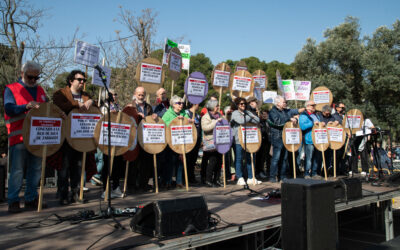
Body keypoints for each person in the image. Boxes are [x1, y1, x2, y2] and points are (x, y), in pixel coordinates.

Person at [4, 61, 48, 212]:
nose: (33, 81)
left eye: (37, 77)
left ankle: (31, 198)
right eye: (30, 77)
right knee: (17, 171)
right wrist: (26, 106)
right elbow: (9, 109)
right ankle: (13, 200)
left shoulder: (41, 90)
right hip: (19, 138)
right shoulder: (11, 89)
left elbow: (47, 109)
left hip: (37, 138)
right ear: (22, 74)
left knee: (35, 169)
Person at [53, 70, 94, 205]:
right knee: (64, 167)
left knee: (78, 167)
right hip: (65, 136)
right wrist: (77, 104)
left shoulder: (86, 96)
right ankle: (63, 195)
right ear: (71, 81)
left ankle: (76, 193)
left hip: (80, 137)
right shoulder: (60, 93)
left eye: (84, 80)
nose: (82, 82)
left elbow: (95, 111)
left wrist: (91, 102)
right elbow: (59, 106)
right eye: (80, 80)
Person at [268, 95, 304, 182]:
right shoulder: (273, 111)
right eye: (283, 102)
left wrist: (303, 109)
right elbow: (277, 122)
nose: (285, 103)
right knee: (276, 158)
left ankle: (282, 176)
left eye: (285, 102)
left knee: (284, 158)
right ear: (278, 103)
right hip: (277, 137)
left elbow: (294, 111)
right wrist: (289, 119)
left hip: (286, 137)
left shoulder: (285, 111)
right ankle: (272, 176)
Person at [230, 97, 262, 185]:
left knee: (250, 158)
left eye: (244, 103)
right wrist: (251, 117)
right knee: (239, 159)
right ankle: (239, 177)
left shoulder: (247, 112)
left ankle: (251, 177)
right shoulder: (235, 113)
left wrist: (248, 116)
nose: (243, 105)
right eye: (241, 104)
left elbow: (258, 120)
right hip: (238, 140)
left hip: (249, 139)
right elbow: (241, 120)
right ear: (237, 105)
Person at [161, 95, 191, 188]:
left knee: (180, 162)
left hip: (181, 140)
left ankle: (179, 182)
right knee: (170, 162)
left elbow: (187, 123)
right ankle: (168, 181)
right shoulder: (168, 114)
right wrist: (175, 121)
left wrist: (190, 121)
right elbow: (164, 125)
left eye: (182, 103)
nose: (181, 105)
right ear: (173, 104)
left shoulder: (184, 113)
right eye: (178, 103)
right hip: (171, 142)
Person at [201, 99, 224, 187]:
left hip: (220, 141)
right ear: (212, 107)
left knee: (219, 161)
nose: (218, 107)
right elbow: (205, 128)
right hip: (210, 142)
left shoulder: (220, 115)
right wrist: (215, 122)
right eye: (217, 106)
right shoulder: (206, 117)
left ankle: (217, 179)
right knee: (212, 161)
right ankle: (208, 180)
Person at [299, 101, 324, 179]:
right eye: (312, 105)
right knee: (309, 158)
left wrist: (322, 124)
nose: (314, 107)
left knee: (316, 157)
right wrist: (312, 123)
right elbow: (302, 126)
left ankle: (314, 173)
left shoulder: (316, 115)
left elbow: (318, 125)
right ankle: (306, 173)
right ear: (307, 107)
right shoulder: (303, 115)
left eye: (314, 105)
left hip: (317, 139)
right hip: (309, 139)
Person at [317, 105, 340, 175]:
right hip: (321, 139)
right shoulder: (319, 116)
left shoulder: (331, 117)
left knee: (328, 157)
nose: (327, 115)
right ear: (323, 112)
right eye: (326, 113)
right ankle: (317, 172)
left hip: (330, 140)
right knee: (320, 157)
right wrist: (326, 124)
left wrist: (336, 122)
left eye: (329, 113)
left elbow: (338, 122)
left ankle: (325, 171)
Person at [185, 103, 201, 184]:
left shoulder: (198, 116)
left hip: (196, 140)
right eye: (198, 104)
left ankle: (191, 177)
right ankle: (186, 178)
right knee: (188, 160)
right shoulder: (186, 113)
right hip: (189, 140)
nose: (199, 105)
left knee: (193, 160)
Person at [256, 110, 270, 179]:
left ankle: (263, 171)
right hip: (260, 141)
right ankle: (258, 171)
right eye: (263, 114)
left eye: (266, 114)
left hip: (267, 141)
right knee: (259, 157)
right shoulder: (259, 122)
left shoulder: (268, 121)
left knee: (264, 157)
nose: (265, 116)